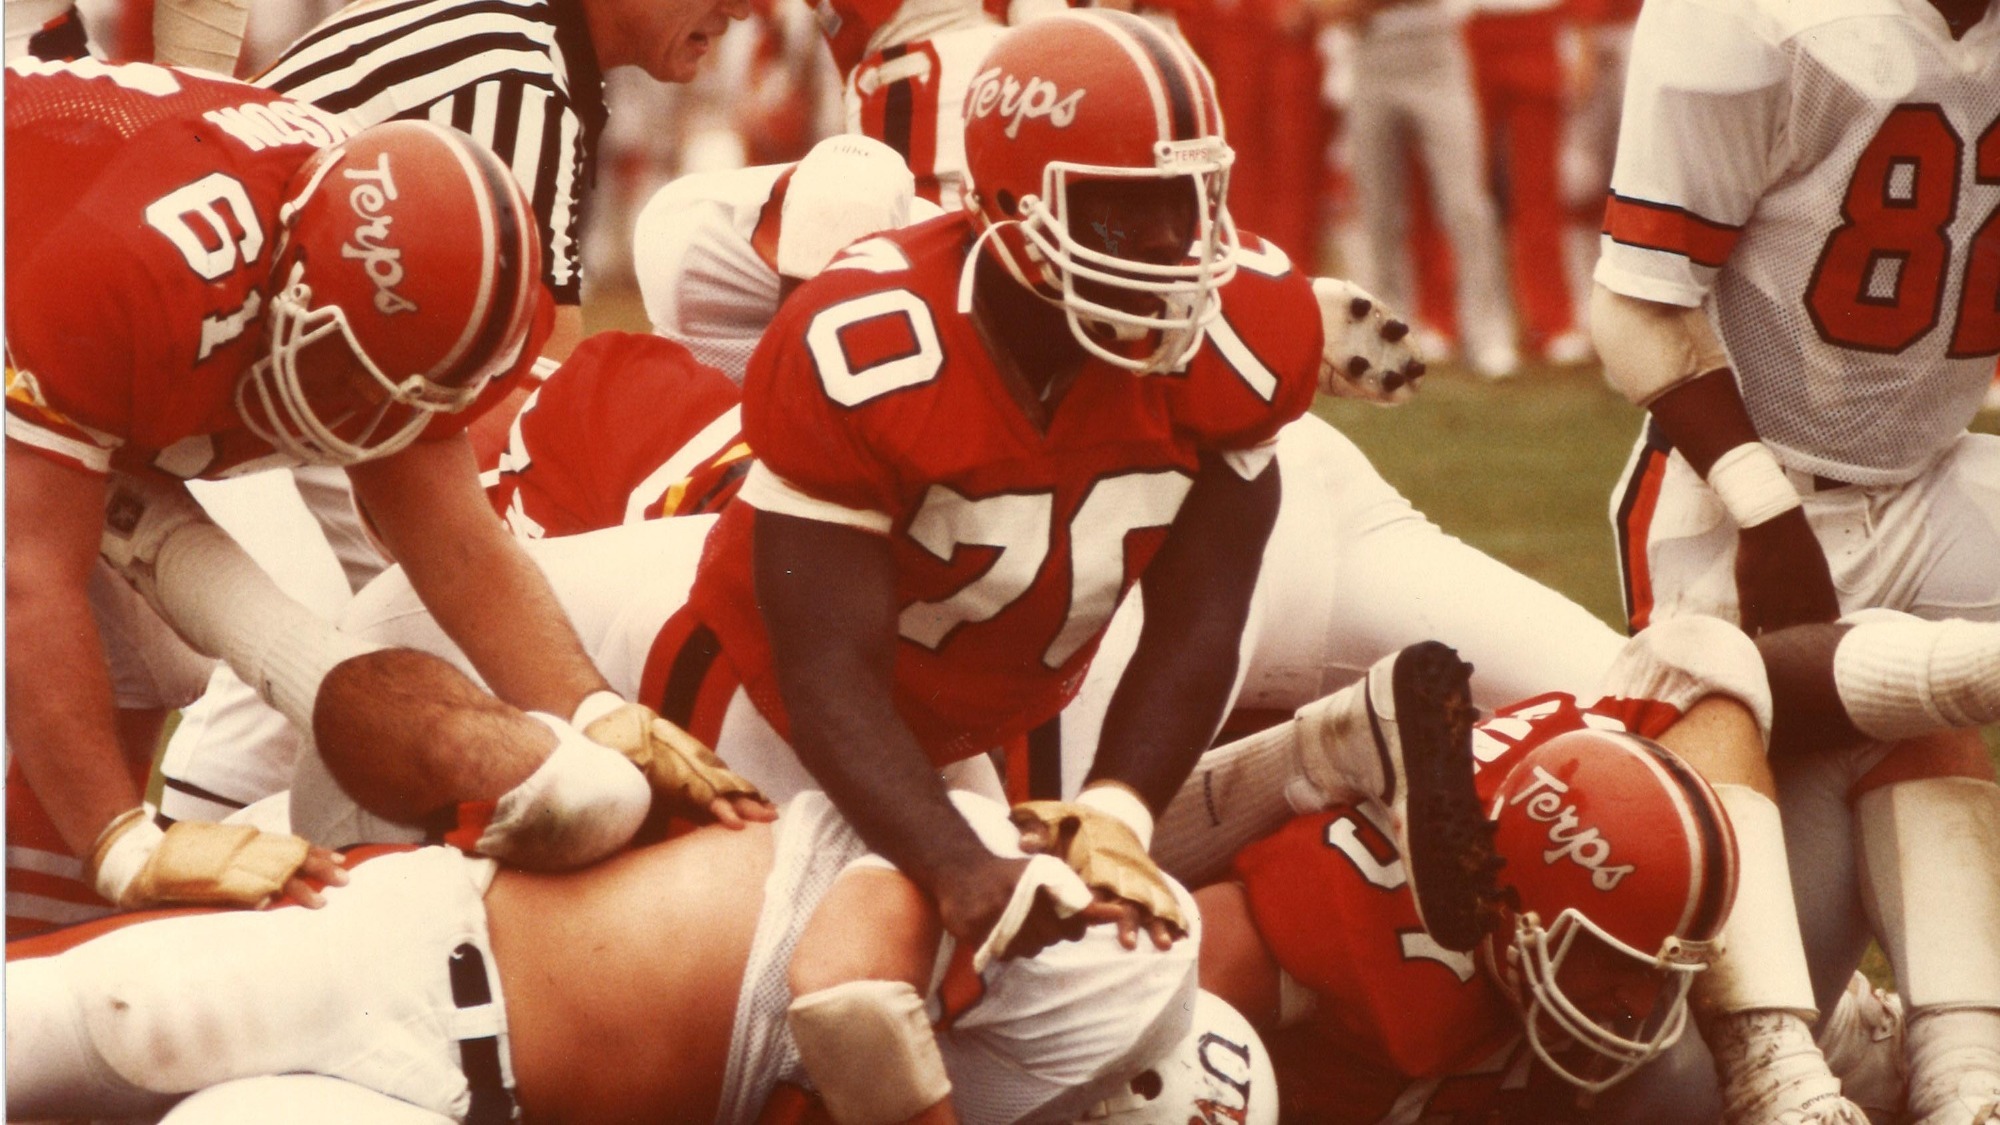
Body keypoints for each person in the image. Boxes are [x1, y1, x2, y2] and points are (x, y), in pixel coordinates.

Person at [1, 58, 702, 932]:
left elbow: (458, 542)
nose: (374, 428)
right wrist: (121, 843)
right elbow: (32, 582)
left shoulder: (368, 271)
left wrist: (597, 711)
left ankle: (35, 947)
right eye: (353, 378)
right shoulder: (130, 278)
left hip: (83, 269)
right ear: (289, 295)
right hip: (35, 256)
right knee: (105, 645)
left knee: (150, 661)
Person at [1592, 0, 2000, 1119]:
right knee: (1697, 1027)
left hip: (1932, 476)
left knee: (1930, 672)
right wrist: (1762, 512)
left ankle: (1965, 1069)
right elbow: (1634, 307)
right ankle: (1777, 1064)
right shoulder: (1760, 18)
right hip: (1739, 494)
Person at [1190, 617, 1959, 1123]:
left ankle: (1955, 1077)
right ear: (1511, 910)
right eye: (1616, 961)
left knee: (1900, 726)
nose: (1642, 997)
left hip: (1611, 1087)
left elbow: (1718, 671)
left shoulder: (1628, 749)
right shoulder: (1369, 917)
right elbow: (1158, 981)